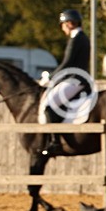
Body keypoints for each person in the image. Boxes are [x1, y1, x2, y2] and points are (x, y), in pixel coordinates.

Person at [40, 9, 93, 157]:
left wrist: (51, 77)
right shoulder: (81, 38)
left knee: (49, 105)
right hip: (76, 78)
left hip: (76, 80)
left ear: (69, 24)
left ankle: (55, 142)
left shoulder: (76, 39)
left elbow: (67, 63)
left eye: (63, 24)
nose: (62, 28)